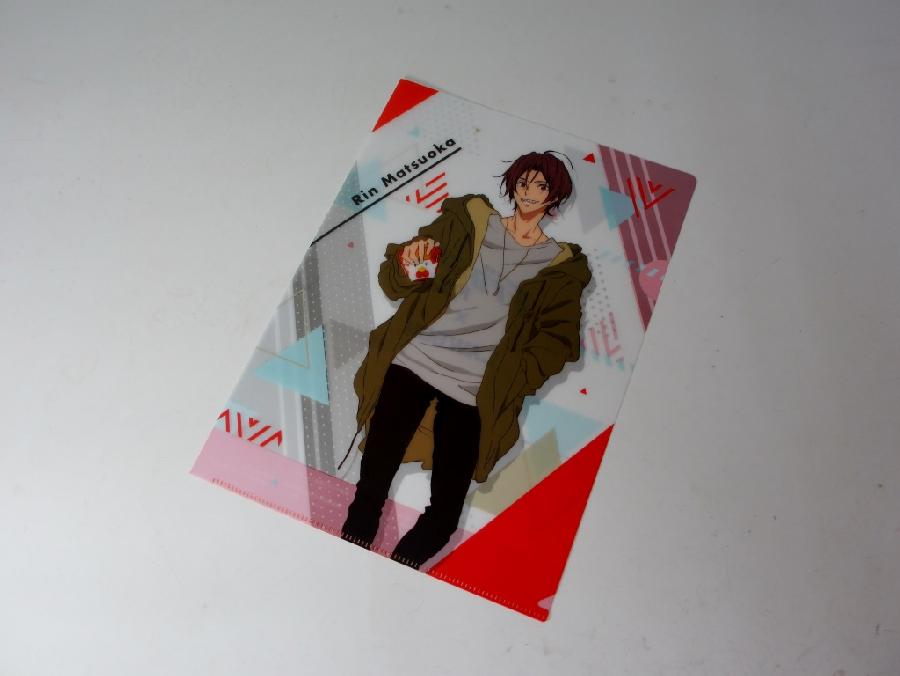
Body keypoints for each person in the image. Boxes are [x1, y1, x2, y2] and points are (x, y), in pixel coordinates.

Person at [340, 151, 592, 569]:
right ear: (512, 185)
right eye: (524, 182)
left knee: (444, 514)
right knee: (371, 488)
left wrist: (515, 375)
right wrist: (410, 265)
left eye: (541, 186)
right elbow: (396, 275)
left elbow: (559, 340)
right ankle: (346, 556)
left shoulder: (561, 267)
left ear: (555, 196)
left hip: (475, 389)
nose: (529, 192)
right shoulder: (468, 221)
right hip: (415, 360)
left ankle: (397, 572)